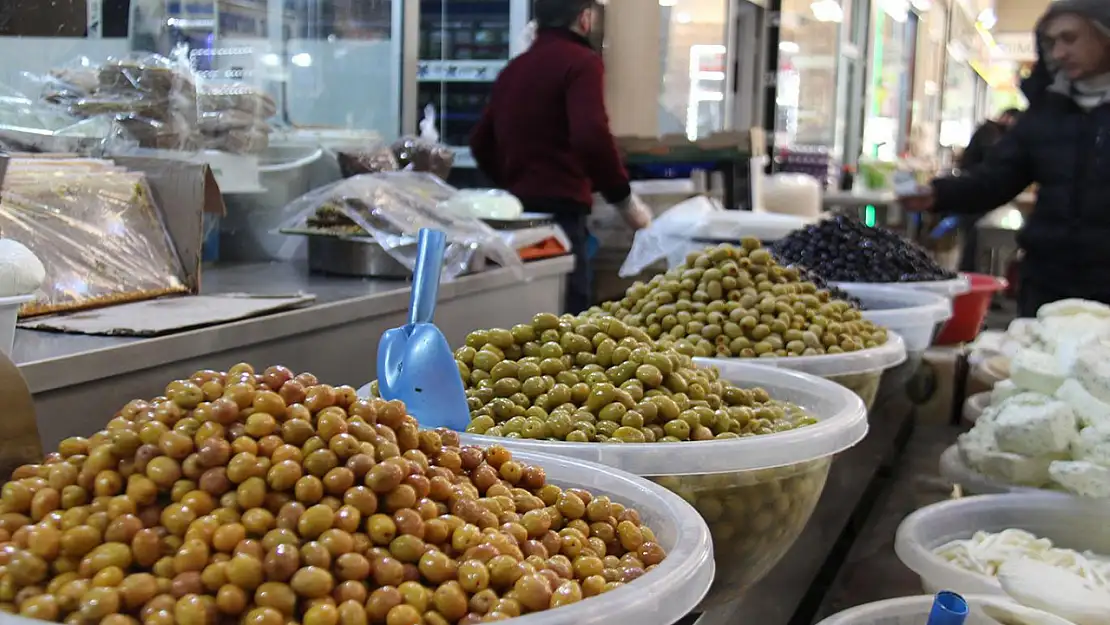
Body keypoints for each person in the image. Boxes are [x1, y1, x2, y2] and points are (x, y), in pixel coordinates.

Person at [901, 0, 1110, 317]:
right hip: (1048, 283)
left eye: (1070, 38)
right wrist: (939, 193)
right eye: (1051, 42)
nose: (1058, 53)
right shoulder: (1045, 113)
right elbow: (997, 178)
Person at [469, 0, 651, 315]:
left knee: (525, 318)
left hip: (517, 222)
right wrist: (624, 201)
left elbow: (479, 142)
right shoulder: (582, 62)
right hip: (561, 222)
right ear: (584, 19)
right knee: (566, 322)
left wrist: (516, 184)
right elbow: (591, 136)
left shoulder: (515, 68)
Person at [953, 108, 1022, 274]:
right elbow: (993, 163)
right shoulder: (990, 133)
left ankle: (974, 275)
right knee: (974, 241)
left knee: (975, 241)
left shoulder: (992, 132)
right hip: (974, 196)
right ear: (1006, 118)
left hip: (974, 194)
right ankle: (970, 278)